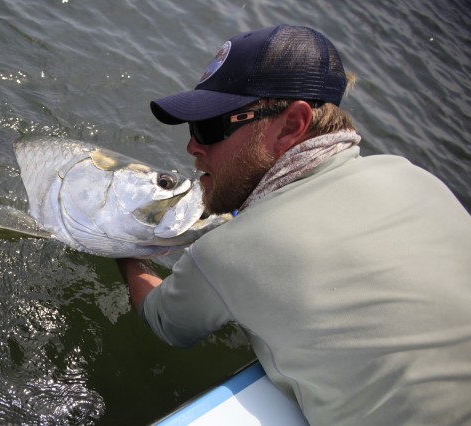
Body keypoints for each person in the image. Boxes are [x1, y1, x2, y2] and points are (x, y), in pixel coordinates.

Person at [116, 24, 471, 425]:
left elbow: (165, 322)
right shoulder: (413, 176)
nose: (192, 147)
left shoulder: (230, 250)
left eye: (210, 127)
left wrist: (125, 246)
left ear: (291, 125)